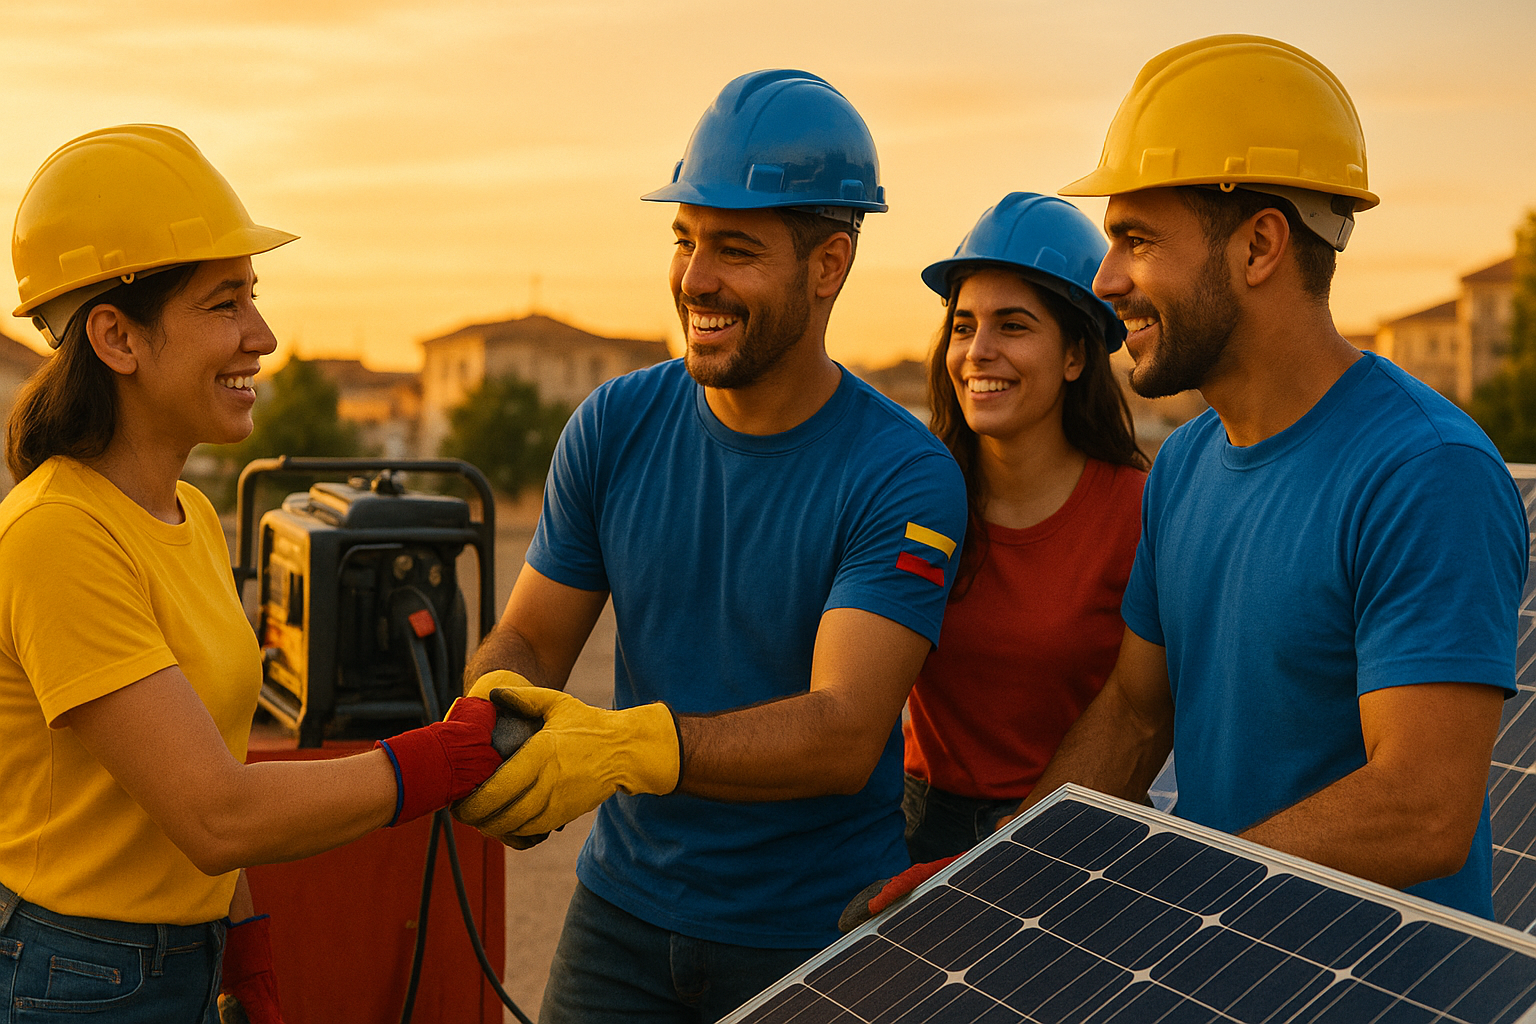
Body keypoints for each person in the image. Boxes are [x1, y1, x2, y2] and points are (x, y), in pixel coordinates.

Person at [452, 70, 968, 1022]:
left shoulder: (901, 472)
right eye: (684, 240)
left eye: (735, 248)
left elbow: (845, 732)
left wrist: (624, 746)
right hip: (622, 917)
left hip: (818, 932)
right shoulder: (615, 424)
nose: (695, 280)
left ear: (830, 265)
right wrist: (491, 711)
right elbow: (531, 633)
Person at [1000, 35, 1524, 918]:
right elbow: (1134, 715)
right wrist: (1006, 874)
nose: (1106, 277)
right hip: (1219, 970)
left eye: (1136, 238)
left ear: (1259, 246)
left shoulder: (1425, 473)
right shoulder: (1187, 465)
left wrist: (1169, 893)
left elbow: (1423, 808)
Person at [0, 125, 505, 1023]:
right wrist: (442, 758)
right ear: (117, 337)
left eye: (253, 298)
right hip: (70, 977)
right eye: (223, 303)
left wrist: (244, 948)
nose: (261, 336)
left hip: (172, 964)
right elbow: (216, 811)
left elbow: (206, 766)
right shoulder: (56, 535)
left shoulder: (187, 515)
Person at [901, 193, 1148, 864]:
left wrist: (1029, 835)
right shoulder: (913, 499)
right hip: (915, 830)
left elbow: (1146, 714)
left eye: (1012, 326)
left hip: (1081, 833)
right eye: (963, 325)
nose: (978, 351)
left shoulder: (1138, 511)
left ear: (1075, 355)